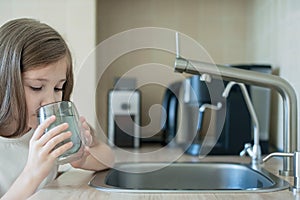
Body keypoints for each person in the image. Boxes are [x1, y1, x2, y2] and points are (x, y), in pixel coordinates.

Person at [0, 18, 114, 199]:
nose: (50, 102)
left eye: (58, 88)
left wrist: (83, 157)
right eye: (36, 87)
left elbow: (109, 158)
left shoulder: (47, 129)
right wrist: (32, 173)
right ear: (4, 82)